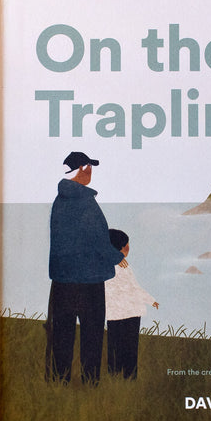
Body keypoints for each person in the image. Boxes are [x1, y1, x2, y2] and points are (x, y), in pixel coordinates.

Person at [47, 151, 127, 385]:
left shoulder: (59, 201)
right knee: (92, 335)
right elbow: (98, 241)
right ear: (82, 170)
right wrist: (117, 256)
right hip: (89, 281)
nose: (91, 173)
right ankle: (90, 384)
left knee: (62, 335)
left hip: (62, 280)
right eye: (89, 168)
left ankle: (59, 382)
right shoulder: (86, 202)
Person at [105, 229, 158, 379]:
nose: (129, 247)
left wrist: (150, 300)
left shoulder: (110, 266)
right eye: (127, 244)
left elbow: (133, 288)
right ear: (121, 247)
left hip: (117, 312)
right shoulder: (121, 266)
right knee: (128, 346)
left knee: (117, 344)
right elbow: (134, 288)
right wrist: (150, 300)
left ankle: (117, 375)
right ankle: (127, 376)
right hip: (129, 312)